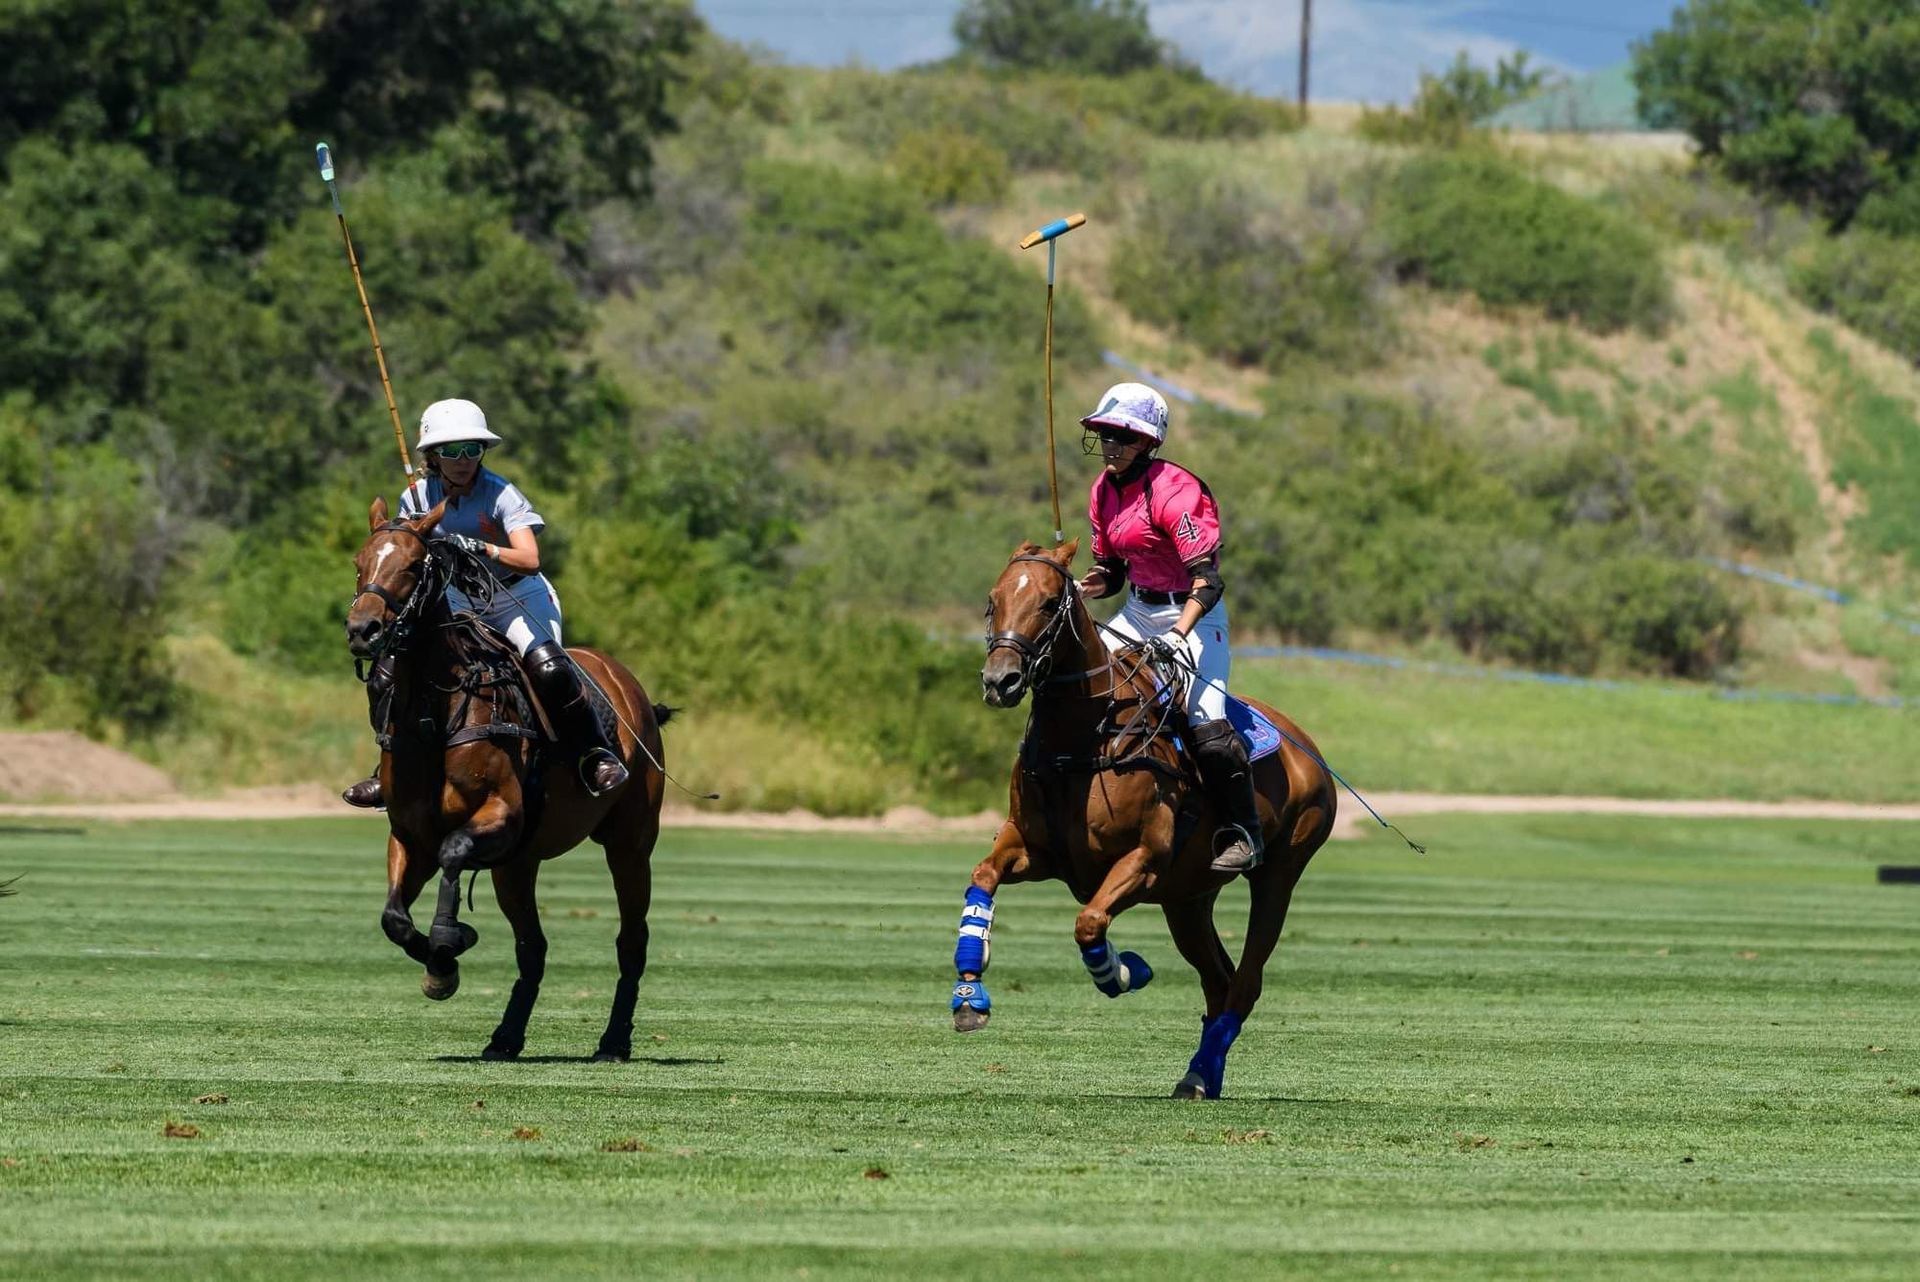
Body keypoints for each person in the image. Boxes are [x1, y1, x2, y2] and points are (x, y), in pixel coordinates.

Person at [343, 398, 629, 807]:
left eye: (472, 449)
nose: (462, 460)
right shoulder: (416, 499)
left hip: (517, 595)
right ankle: (389, 766)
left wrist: (478, 546)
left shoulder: (502, 495)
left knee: (549, 668)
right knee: (391, 672)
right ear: (433, 456)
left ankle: (593, 753)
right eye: (451, 451)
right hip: (458, 596)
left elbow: (530, 560)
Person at [1073, 382, 1261, 874]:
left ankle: (1243, 831)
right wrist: (1097, 584)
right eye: (1104, 434)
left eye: (1120, 436)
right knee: (1082, 685)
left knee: (1206, 721)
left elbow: (1208, 579)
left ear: (1147, 442)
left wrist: (1179, 633)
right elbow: (1113, 568)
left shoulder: (1178, 491)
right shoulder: (1102, 490)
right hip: (1137, 610)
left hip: (1194, 615)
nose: (1109, 446)